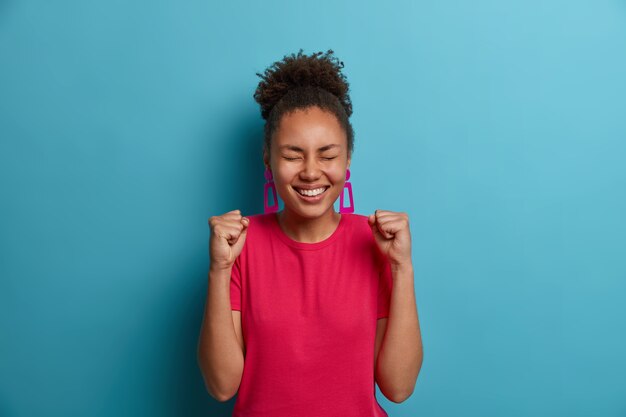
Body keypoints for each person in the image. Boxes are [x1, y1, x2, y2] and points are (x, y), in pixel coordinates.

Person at [197, 49, 423, 417]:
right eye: (292, 155)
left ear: (348, 158)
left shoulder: (377, 242)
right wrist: (219, 269)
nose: (311, 172)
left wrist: (403, 268)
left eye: (327, 155)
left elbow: (398, 388)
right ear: (267, 158)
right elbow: (222, 386)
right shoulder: (238, 246)